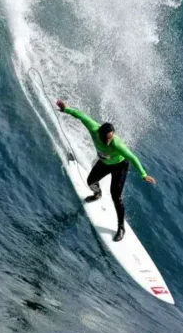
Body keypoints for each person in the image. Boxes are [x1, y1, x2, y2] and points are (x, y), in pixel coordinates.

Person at [56, 100, 156, 242]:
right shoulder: (94, 129)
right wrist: (66, 109)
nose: (110, 140)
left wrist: (143, 174)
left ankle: (121, 227)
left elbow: (132, 157)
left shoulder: (117, 144)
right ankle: (98, 194)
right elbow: (81, 115)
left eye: (112, 137)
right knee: (90, 181)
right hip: (104, 163)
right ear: (101, 134)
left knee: (116, 197)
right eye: (108, 138)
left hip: (120, 166)